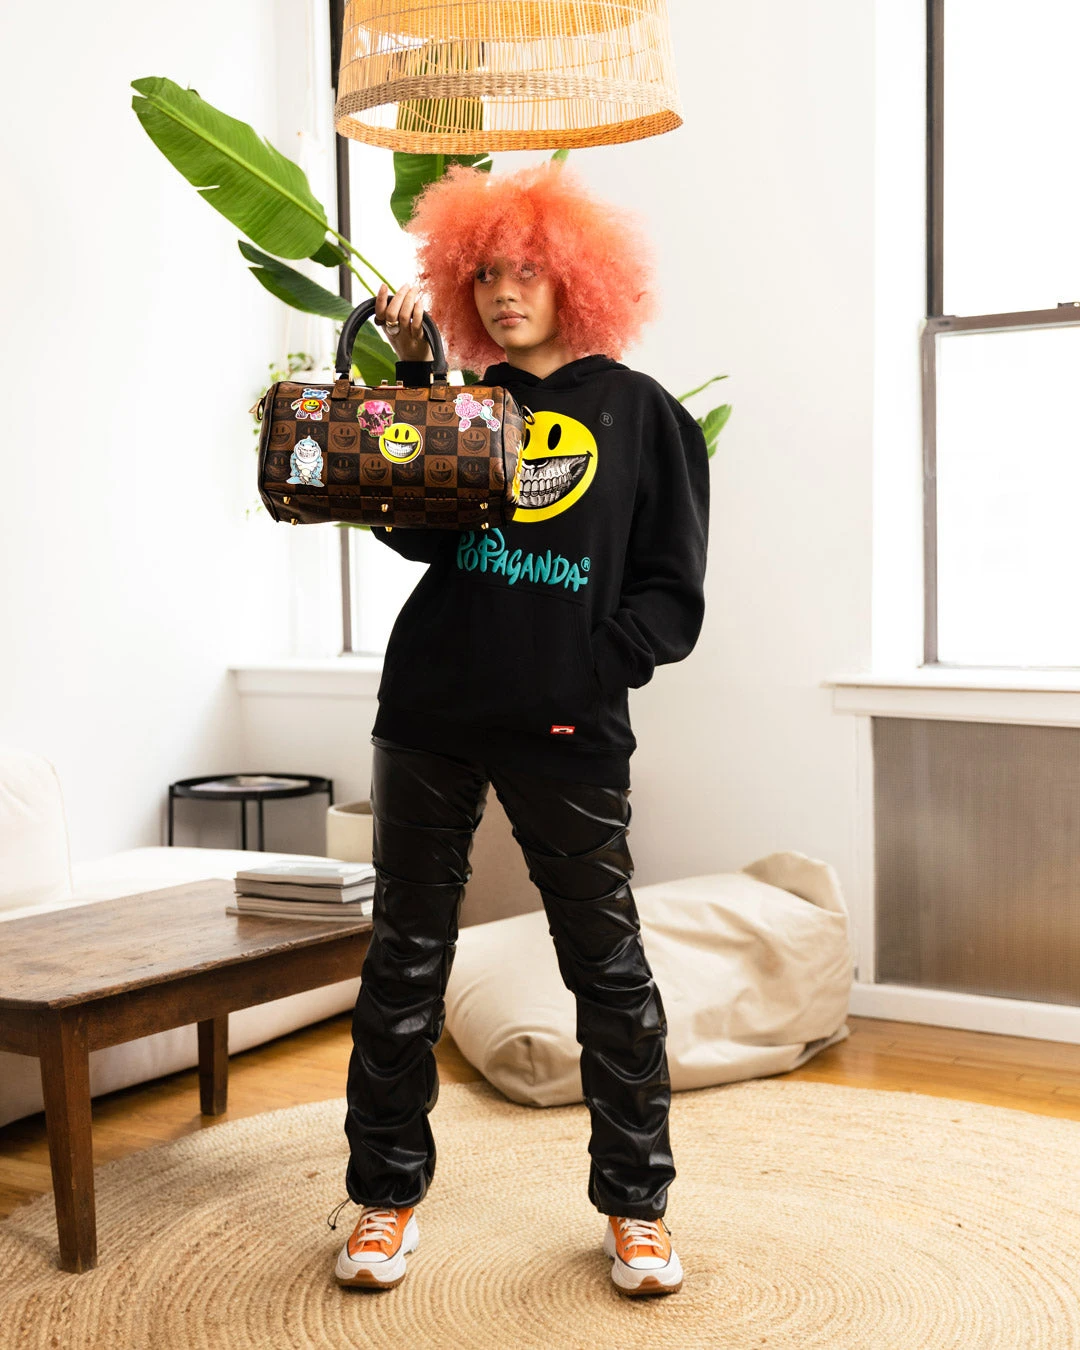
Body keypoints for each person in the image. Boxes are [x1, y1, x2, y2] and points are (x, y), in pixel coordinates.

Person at [331, 160, 710, 1298]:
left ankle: (638, 1210)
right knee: (404, 962)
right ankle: (383, 1199)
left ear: (578, 279)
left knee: (608, 967)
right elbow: (414, 535)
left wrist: (593, 663)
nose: (503, 293)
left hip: (566, 725)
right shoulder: (468, 403)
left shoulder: (644, 415)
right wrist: (416, 377)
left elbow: (671, 592)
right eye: (485, 273)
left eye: (528, 271)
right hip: (431, 711)